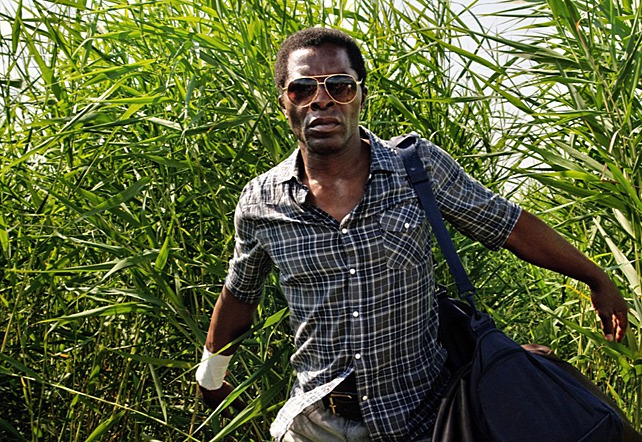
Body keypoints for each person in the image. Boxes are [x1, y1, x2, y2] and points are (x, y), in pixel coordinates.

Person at [195, 27, 629, 441]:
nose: (321, 100)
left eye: (340, 86)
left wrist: (596, 278)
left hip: (424, 417)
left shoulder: (416, 168)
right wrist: (211, 374)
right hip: (317, 423)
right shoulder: (261, 201)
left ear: (361, 96)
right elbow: (240, 293)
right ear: (284, 103)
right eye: (302, 89)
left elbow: (508, 225)